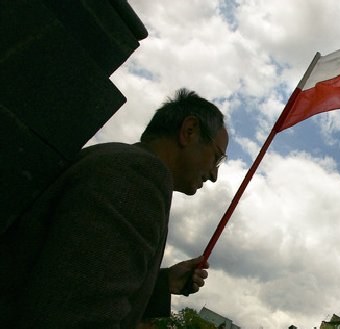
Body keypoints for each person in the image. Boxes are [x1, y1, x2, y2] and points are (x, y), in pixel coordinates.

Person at [0, 88, 229, 328]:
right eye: (217, 157)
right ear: (189, 131)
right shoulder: (140, 176)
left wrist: (164, 284)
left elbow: (69, 281)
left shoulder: (119, 161)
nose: (214, 174)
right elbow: (78, 314)